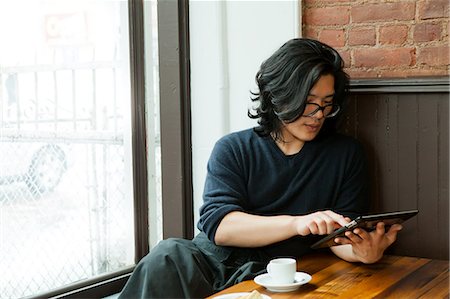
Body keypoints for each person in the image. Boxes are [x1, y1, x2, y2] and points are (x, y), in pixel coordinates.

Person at [118, 38, 403, 299]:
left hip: (280, 273)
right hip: (211, 262)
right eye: (308, 103)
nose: (319, 115)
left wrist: (363, 252)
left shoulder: (345, 154)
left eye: (327, 105)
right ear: (278, 96)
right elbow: (221, 226)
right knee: (166, 255)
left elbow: (340, 235)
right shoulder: (233, 148)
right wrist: (297, 223)